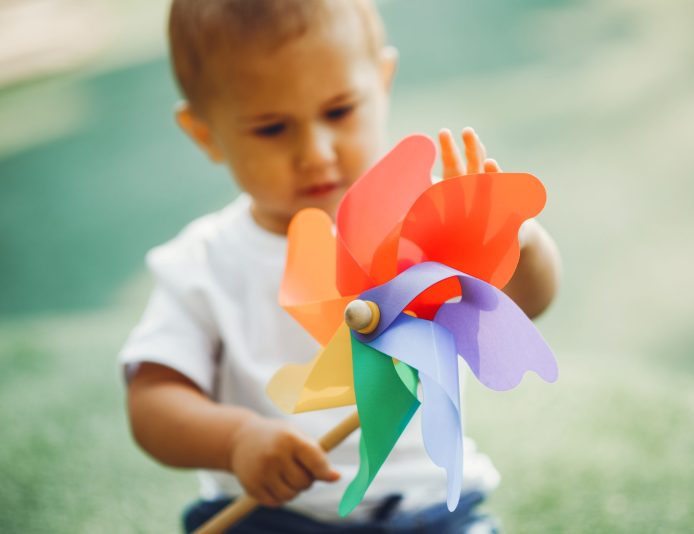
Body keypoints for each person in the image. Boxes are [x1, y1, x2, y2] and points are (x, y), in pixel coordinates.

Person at [120, 0, 561, 532]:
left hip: (430, 505)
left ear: (382, 80)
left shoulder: (423, 235)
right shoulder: (200, 265)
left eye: (339, 112)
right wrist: (236, 440)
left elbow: (524, 303)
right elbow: (152, 400)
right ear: (205, 132)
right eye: (272, 128)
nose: (317, 152)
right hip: (273, 513)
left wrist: (510, 239)